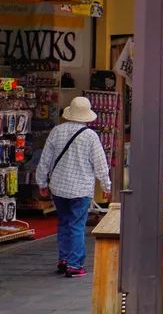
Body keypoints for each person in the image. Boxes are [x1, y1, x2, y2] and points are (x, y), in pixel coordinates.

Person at [36, 97, 111, 278]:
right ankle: (74, 264)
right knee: (77, 225)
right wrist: (106, 185)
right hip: (80, 189)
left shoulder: (57, 131)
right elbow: (100, 164)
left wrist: (42, 182)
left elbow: (45, 159)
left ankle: (63, 259)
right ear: (86, 116)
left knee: (64, 222)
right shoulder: (90, 136)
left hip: (59, 187)